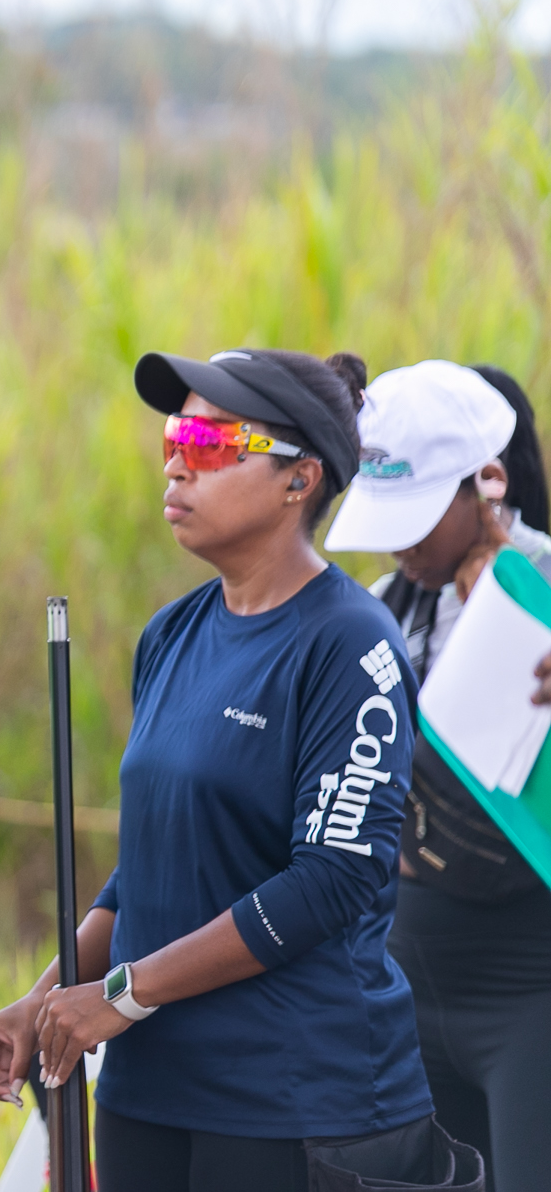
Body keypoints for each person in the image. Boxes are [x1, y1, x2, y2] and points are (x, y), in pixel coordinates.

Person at [0, 347, 452, 1192]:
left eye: (212, 439)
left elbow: (329, 879)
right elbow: (150, 867)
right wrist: (48, 999)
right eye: (172, 435)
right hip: (148, 1094)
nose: (179, 460)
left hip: (296, 1104)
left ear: (300, 478)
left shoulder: (351, 644)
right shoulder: (171, 632)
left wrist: (120, 995)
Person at [322, 360, 551, 1192]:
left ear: (482, 484)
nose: (402, 542)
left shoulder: (546, 580)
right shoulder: (385, 604)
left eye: (420, 517)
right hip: (410, 977)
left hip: (529, 980)